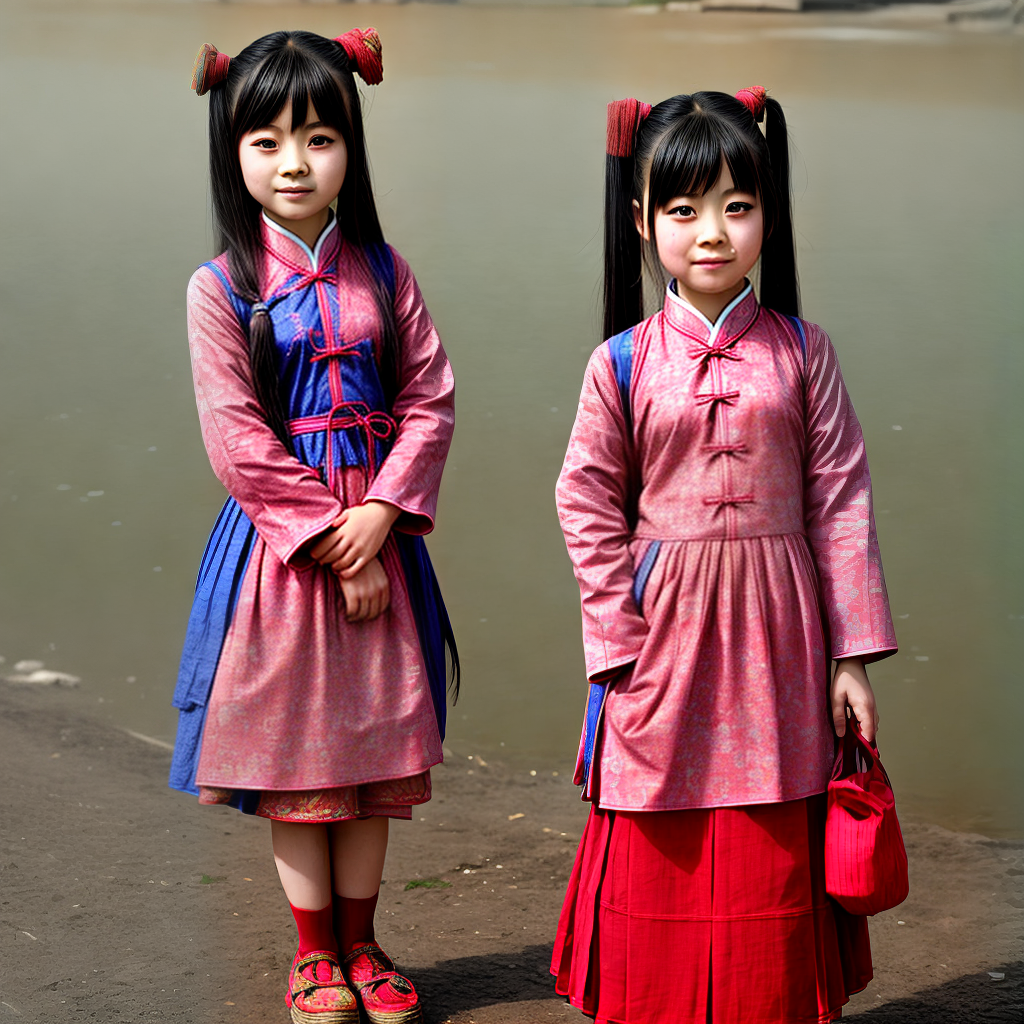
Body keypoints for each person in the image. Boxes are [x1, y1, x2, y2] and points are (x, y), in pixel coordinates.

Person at [550, 88, 897, 1023]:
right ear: (641, 219)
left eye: (737, 207)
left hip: (782, 629)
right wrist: (616, 640)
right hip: (659, 630)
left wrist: (850, 653)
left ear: (768, 217)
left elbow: (841, 501)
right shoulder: (619, 362)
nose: (712, 232)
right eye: (683, 208)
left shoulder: (803, 352)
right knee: (659, 808)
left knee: (779, 820)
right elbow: (585, 503)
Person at [168, 28, 457, 1024]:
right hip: (280, 557)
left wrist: (383, 510)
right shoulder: (220, 289)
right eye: (268, 141)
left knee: (369, 764)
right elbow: (237, 440)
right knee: (298, 768)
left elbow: (429, 398)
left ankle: (366, 940)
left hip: (383, 532)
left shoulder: (387, 270)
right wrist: (335, 541)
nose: (295, 162)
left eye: (320, 137)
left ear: (351, 149)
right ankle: (312, 952)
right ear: (231, 152)